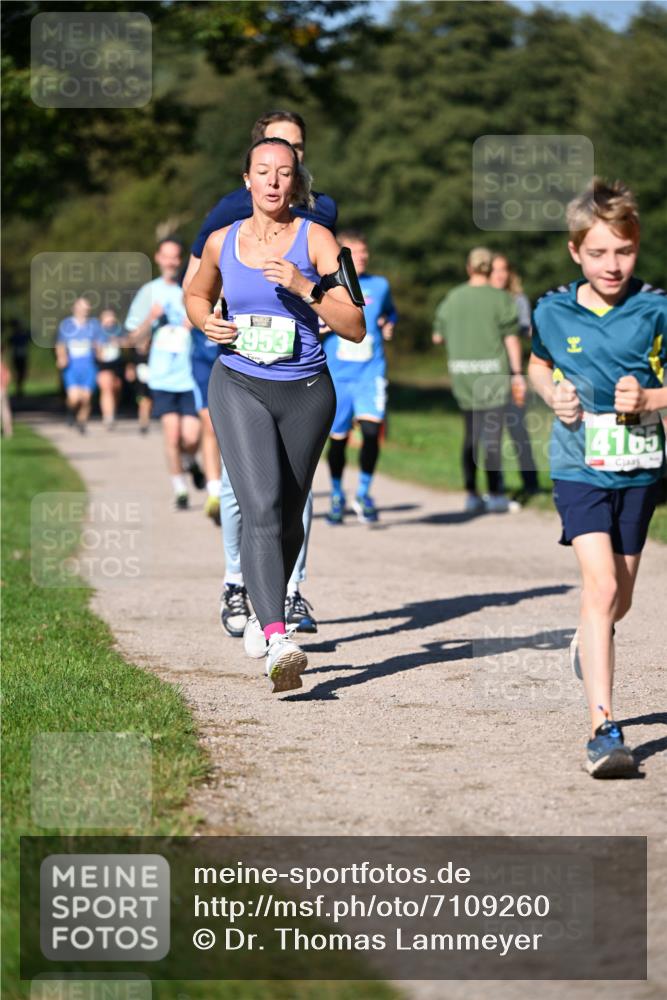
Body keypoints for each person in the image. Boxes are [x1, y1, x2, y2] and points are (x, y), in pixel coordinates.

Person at [185, 136, 365, 692]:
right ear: (246, 180)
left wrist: (305, 285)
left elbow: (355, 324)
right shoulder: (221, 240)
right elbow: (195, 293)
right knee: (260, 503)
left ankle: (267, 609)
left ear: (296, 182)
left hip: (307, 390)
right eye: (263, 171)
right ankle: (277, 635)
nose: (273, 181)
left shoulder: (319, 240)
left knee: (288, 512)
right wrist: (204, 321)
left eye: (284, 173)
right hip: (238, 382)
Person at [528, 177, 666, 778]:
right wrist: (551, 392)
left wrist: (653, 397)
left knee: (620, 599)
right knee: (602, 587)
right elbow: (538, 365)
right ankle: (603, 730)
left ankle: (590, 639)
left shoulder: (657, 308)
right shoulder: (552, 310)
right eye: (599, 252)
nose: (613, 264)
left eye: (625, 251)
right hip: (578, 466)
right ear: (575, 251)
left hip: (640, 468)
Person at [432, 248, 524, 513]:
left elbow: (437, 337)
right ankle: (496, 494)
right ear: (488, 269)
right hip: (493, 375)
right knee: (492, 436)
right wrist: (517, 374)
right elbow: (511, 338)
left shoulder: (453, 298)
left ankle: (472, 493)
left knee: (471, 436)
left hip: (463, 375)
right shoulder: (501, 298)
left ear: (468, 268)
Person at [323, 231, 397, 524]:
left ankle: (364, 493)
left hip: (371, 372)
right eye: (355, 252)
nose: (362, 257)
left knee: (370, 434)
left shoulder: (380, 285)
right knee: (338, 441)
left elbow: (391, 313)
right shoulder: (327, 286)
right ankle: (337, 495)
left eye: (365, 252)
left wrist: (389, 323)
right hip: (338, 376)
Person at [125, 238, 204, 509]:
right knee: (172, 435)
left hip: (190, 375)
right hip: (162, 378)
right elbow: (133, 338)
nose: (170, 262)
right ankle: (180, 489)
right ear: (158, 258)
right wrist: (150, 318)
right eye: (166, 256)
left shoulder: (191, 289)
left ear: (180, 260)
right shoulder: (148, 292)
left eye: (175, 257)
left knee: (192, 437)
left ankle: (191, 461)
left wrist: (196, 322)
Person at [490, 254, 540, 501]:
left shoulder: (517, 300)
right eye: (495, 270)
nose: (500, 274)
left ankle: (531, 484)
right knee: (492, 433)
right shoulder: (481, 301)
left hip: (512, 373)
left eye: (504, 269)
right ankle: (495, 486)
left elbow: (525, 330)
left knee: (519, 430)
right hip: (487, 374)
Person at [55, 296, 101, 434]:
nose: (85, 309)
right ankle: (70, 412)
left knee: (86, 397)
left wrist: (100, 351)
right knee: (74, 397)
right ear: (75, 308)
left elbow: (99, 343)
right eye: (82, 306)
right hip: (73, 365)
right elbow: (61, 344)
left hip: (89, 365)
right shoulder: (67, 325)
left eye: (87, 307)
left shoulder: (94, 325)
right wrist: (61, 357)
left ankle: (82, 422)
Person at [95, 308, 126, 430]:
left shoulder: (119, 331)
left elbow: (127, 344)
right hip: (103, 364)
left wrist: (119, 342)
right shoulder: (97, 332)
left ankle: (112, 411)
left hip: (117, 364)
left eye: (112, 317)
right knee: (106, 388)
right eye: (107, 317)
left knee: (116, 388)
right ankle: (108, 417)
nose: (110, 320)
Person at [8, 319, 30, 397]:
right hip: (16, 357)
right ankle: (18, 389)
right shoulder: (14, 336)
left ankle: (20, 389)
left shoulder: (23, 335)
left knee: (22, 373)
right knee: (18, 373)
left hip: (22, 356)